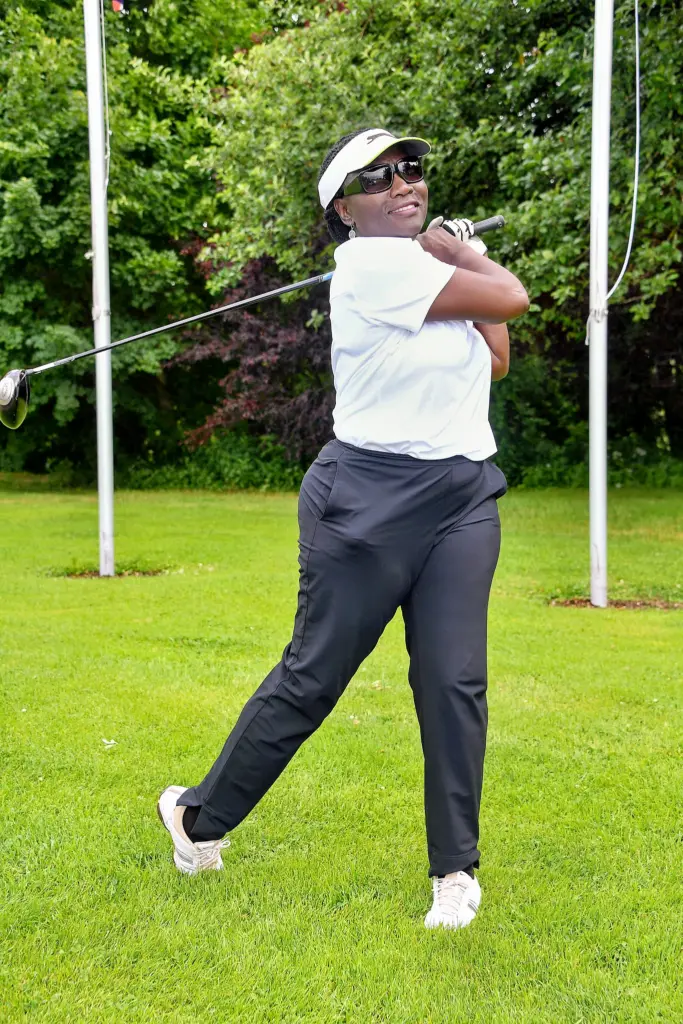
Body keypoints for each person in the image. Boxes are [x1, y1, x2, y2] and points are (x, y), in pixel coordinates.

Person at [158, 127, 529, 930]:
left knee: (453, 682)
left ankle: (454, 873)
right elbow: (510, 299)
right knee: (312, 678)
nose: (403, 184)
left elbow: (496, 355)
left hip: (462, 496)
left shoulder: (424, 267)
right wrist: (462, 253)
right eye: (377, 178)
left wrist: (455, 255)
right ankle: (196, 817)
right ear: (343, 209)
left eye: (411, 170)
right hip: (366, 500)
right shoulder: (369, 266)